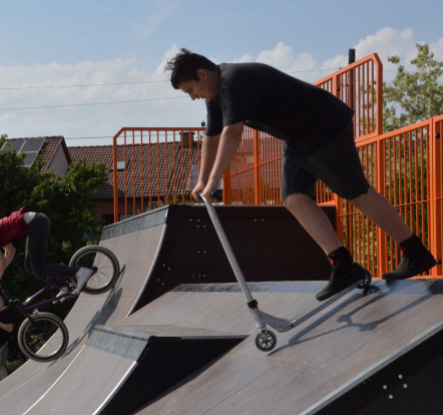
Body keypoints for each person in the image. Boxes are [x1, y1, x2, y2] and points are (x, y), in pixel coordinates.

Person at [165, 49, 438, 300]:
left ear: (202, 74)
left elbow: (232, 134)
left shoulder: (232, 81)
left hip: (324, 127)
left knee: (356, 193)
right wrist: (201, 181)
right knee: (294, 197)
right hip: (297, 140)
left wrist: (213, 183)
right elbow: (211, 137)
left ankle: (414, 252)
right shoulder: (215, 95)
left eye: (191, 89)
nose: (193, 96)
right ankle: (343, 265)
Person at [0, 208, 94, 295]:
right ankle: (63, 287)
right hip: (36, 223)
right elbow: (10, 251)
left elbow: (0, 259)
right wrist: (0, 273)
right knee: (30, 266)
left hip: (36, 225)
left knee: (39, 268)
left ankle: (80, 272)